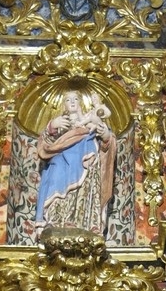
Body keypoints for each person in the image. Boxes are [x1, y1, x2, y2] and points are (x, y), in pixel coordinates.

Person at [35, 89, 116, 235]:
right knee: (56, 175)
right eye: (68, 99)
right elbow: (45, 147)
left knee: (86, 186)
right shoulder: (60, 123)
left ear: (80, 103)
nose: (72, 102)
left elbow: (107, 143)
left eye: (75, 99)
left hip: (86, 158)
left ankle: (85, 222)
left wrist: (104, 134)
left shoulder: (89, 118)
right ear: (63, 105)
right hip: (61, 162)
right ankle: (56, 220)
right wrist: (52, 126)